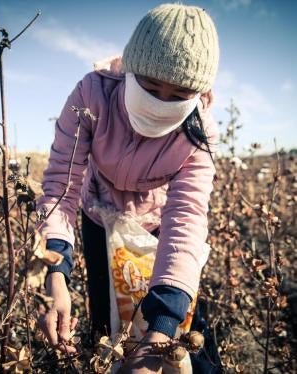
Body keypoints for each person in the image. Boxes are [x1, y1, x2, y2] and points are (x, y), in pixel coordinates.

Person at [37, 3, 221, 372]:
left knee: (184, 334)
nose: (160, 103)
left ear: (199, 93)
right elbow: (61, 183)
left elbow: (186, 218)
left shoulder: (199, 133)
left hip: (156, 226)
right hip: (97, 218)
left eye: (179, 94)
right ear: (129, 71)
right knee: (108, 324)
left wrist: (162, 330)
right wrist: (54, 271)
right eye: (150, 87)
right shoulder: (93, 95)